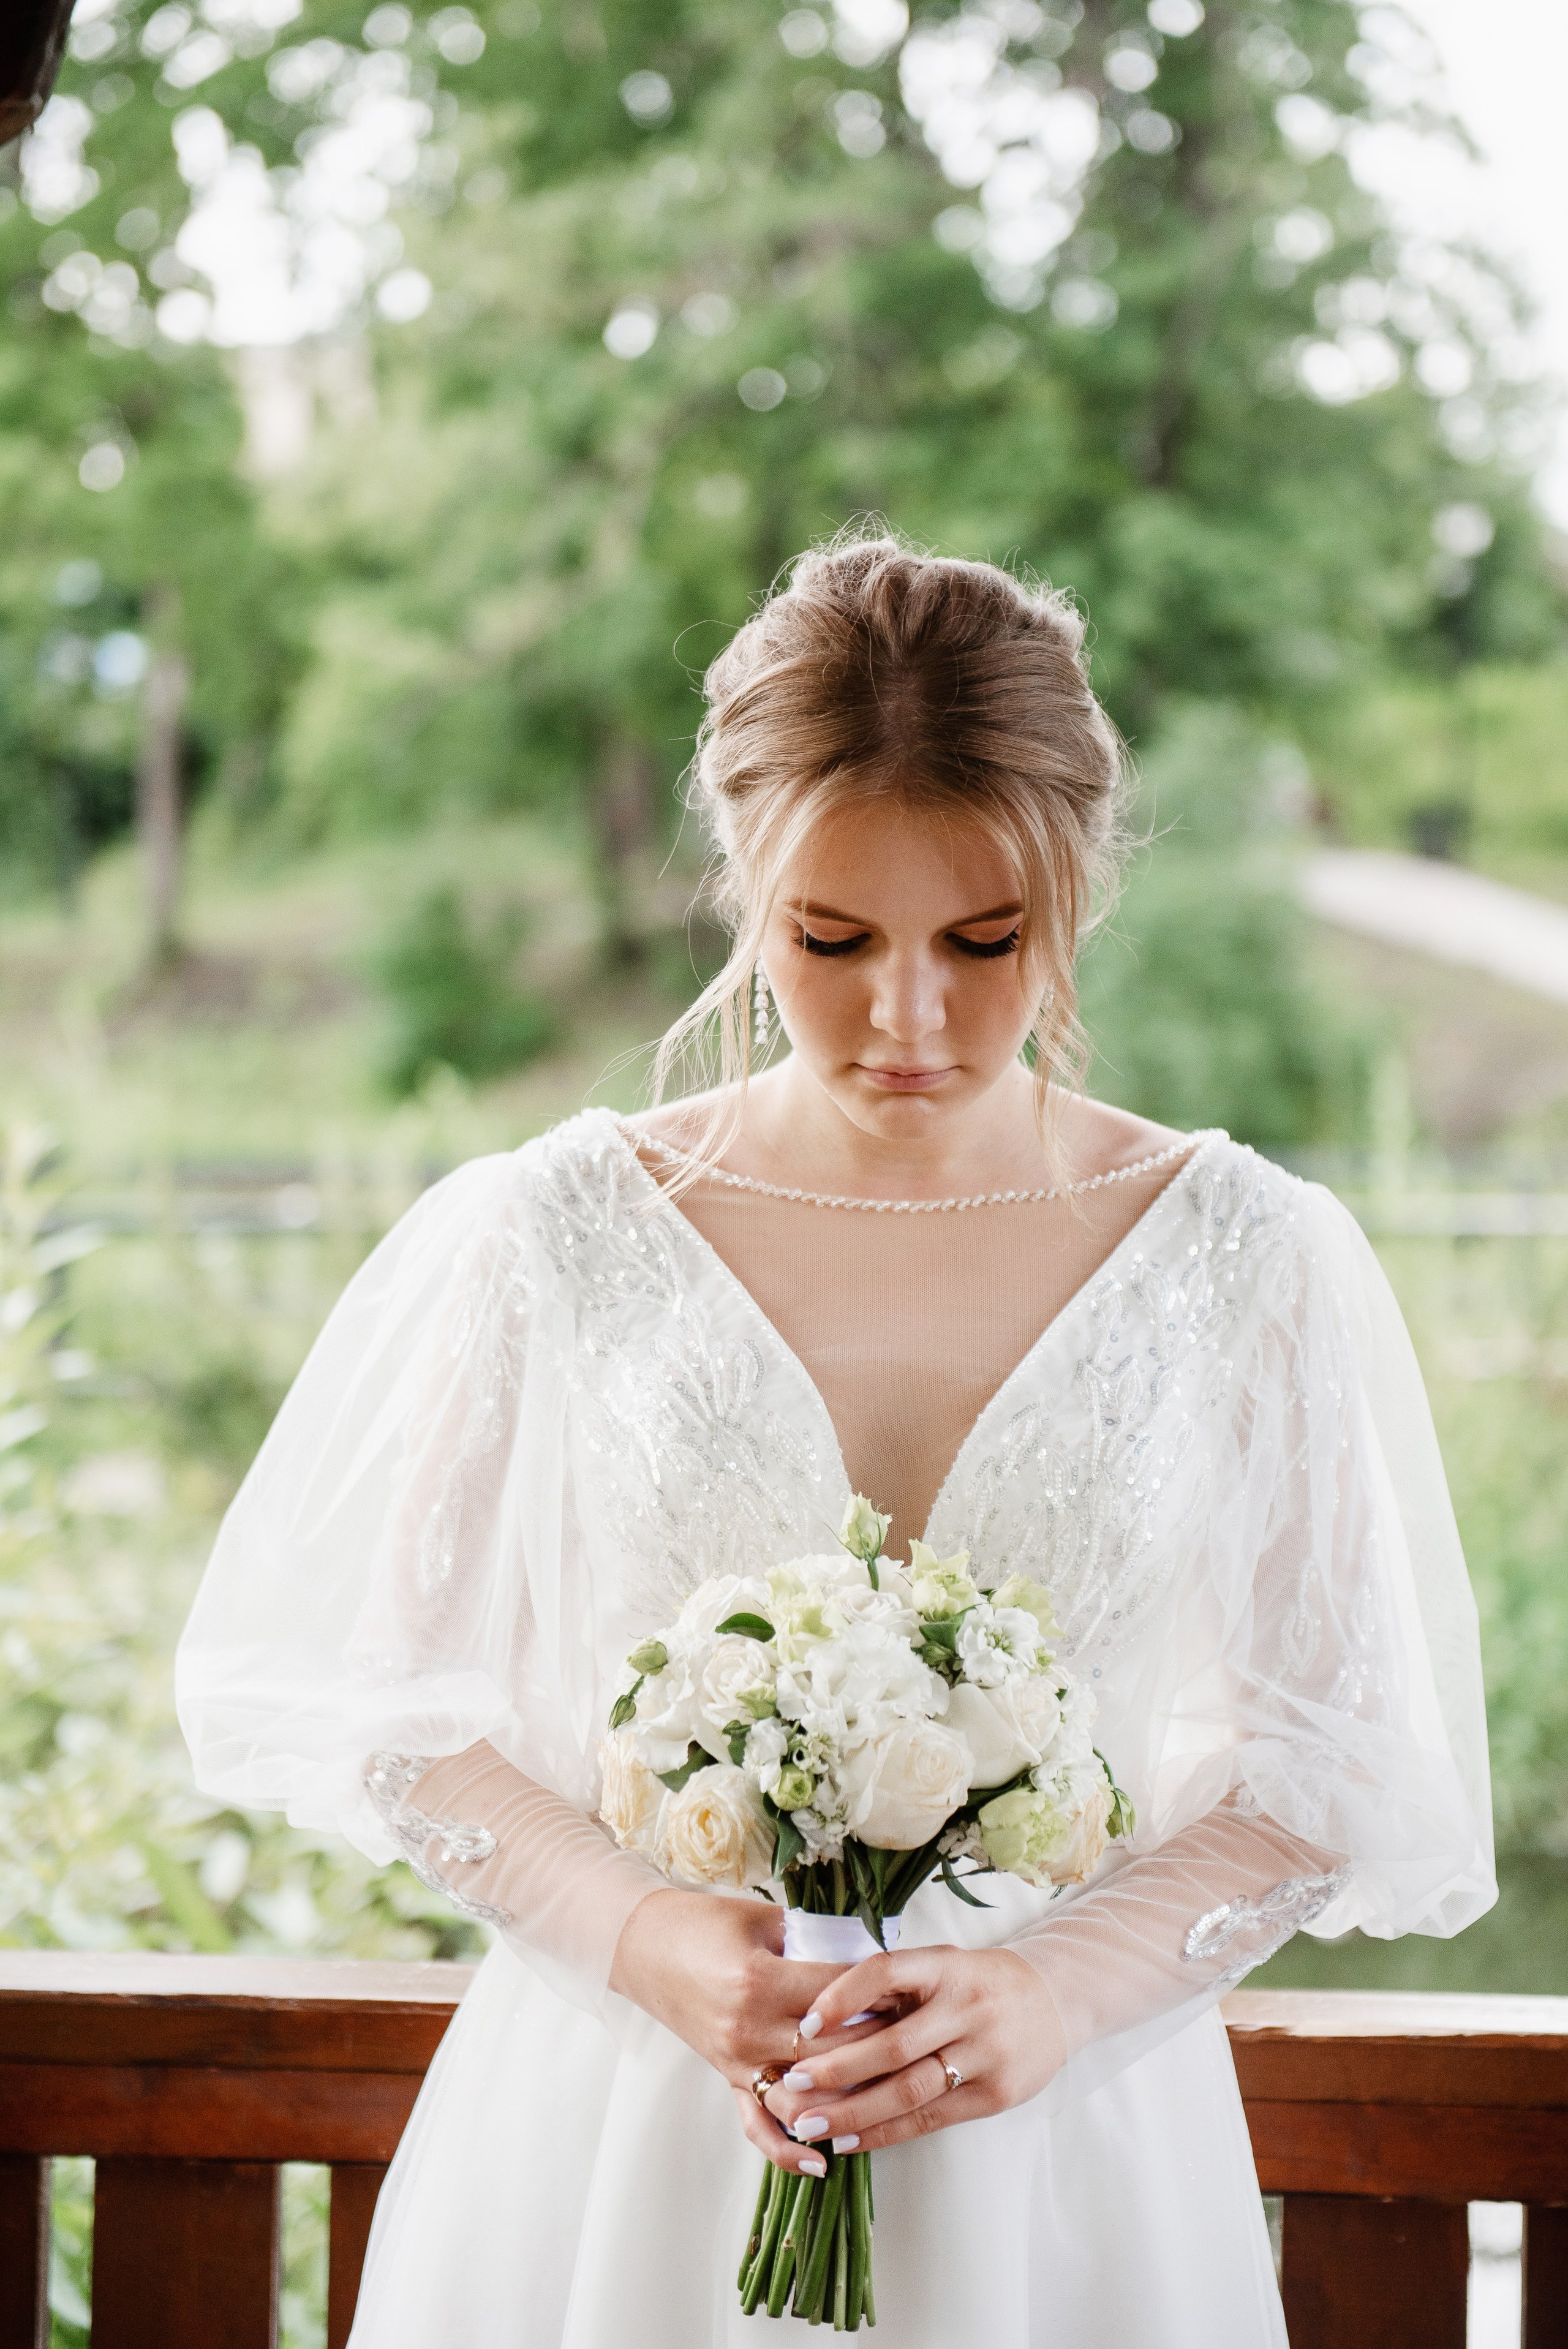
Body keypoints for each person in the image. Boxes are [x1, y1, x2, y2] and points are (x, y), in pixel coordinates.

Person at [176, 535, 1494, 2348]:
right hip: (627, 2143)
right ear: (742, 884)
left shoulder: (1245, 1257)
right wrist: (647, 1938)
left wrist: (1059, 1986)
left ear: (1079, 894)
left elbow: (1318, 1764)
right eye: (831, 938)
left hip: (1066, 2166)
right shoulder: (556, 1231)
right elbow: (413, 1719)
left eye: (984, 940)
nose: (910, 1019)